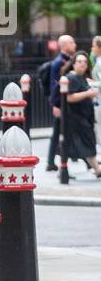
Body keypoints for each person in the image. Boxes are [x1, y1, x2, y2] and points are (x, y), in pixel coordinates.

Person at [61, 51, 101, 177]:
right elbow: (69, 97)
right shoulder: (71, 78)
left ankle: (64, 169)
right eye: (79, 61)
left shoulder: (81, 77)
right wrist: (88, 94)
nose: (83, 64)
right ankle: (97, 169)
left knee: (82, 143)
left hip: (84, 116)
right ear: (73, 64)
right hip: (76, 117)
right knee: (87, 142)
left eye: (85, 62)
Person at [46, 33, 76, 171]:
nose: (74, 44)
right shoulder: (59, 62)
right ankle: (52, 162)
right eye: (71, 42)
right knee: (58, 131)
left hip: (65, 102)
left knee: (63, 131)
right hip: (60, 104)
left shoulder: (68, 60)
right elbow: (54, 85)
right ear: (64, 45)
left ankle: (54, 160)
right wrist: (56, 105)